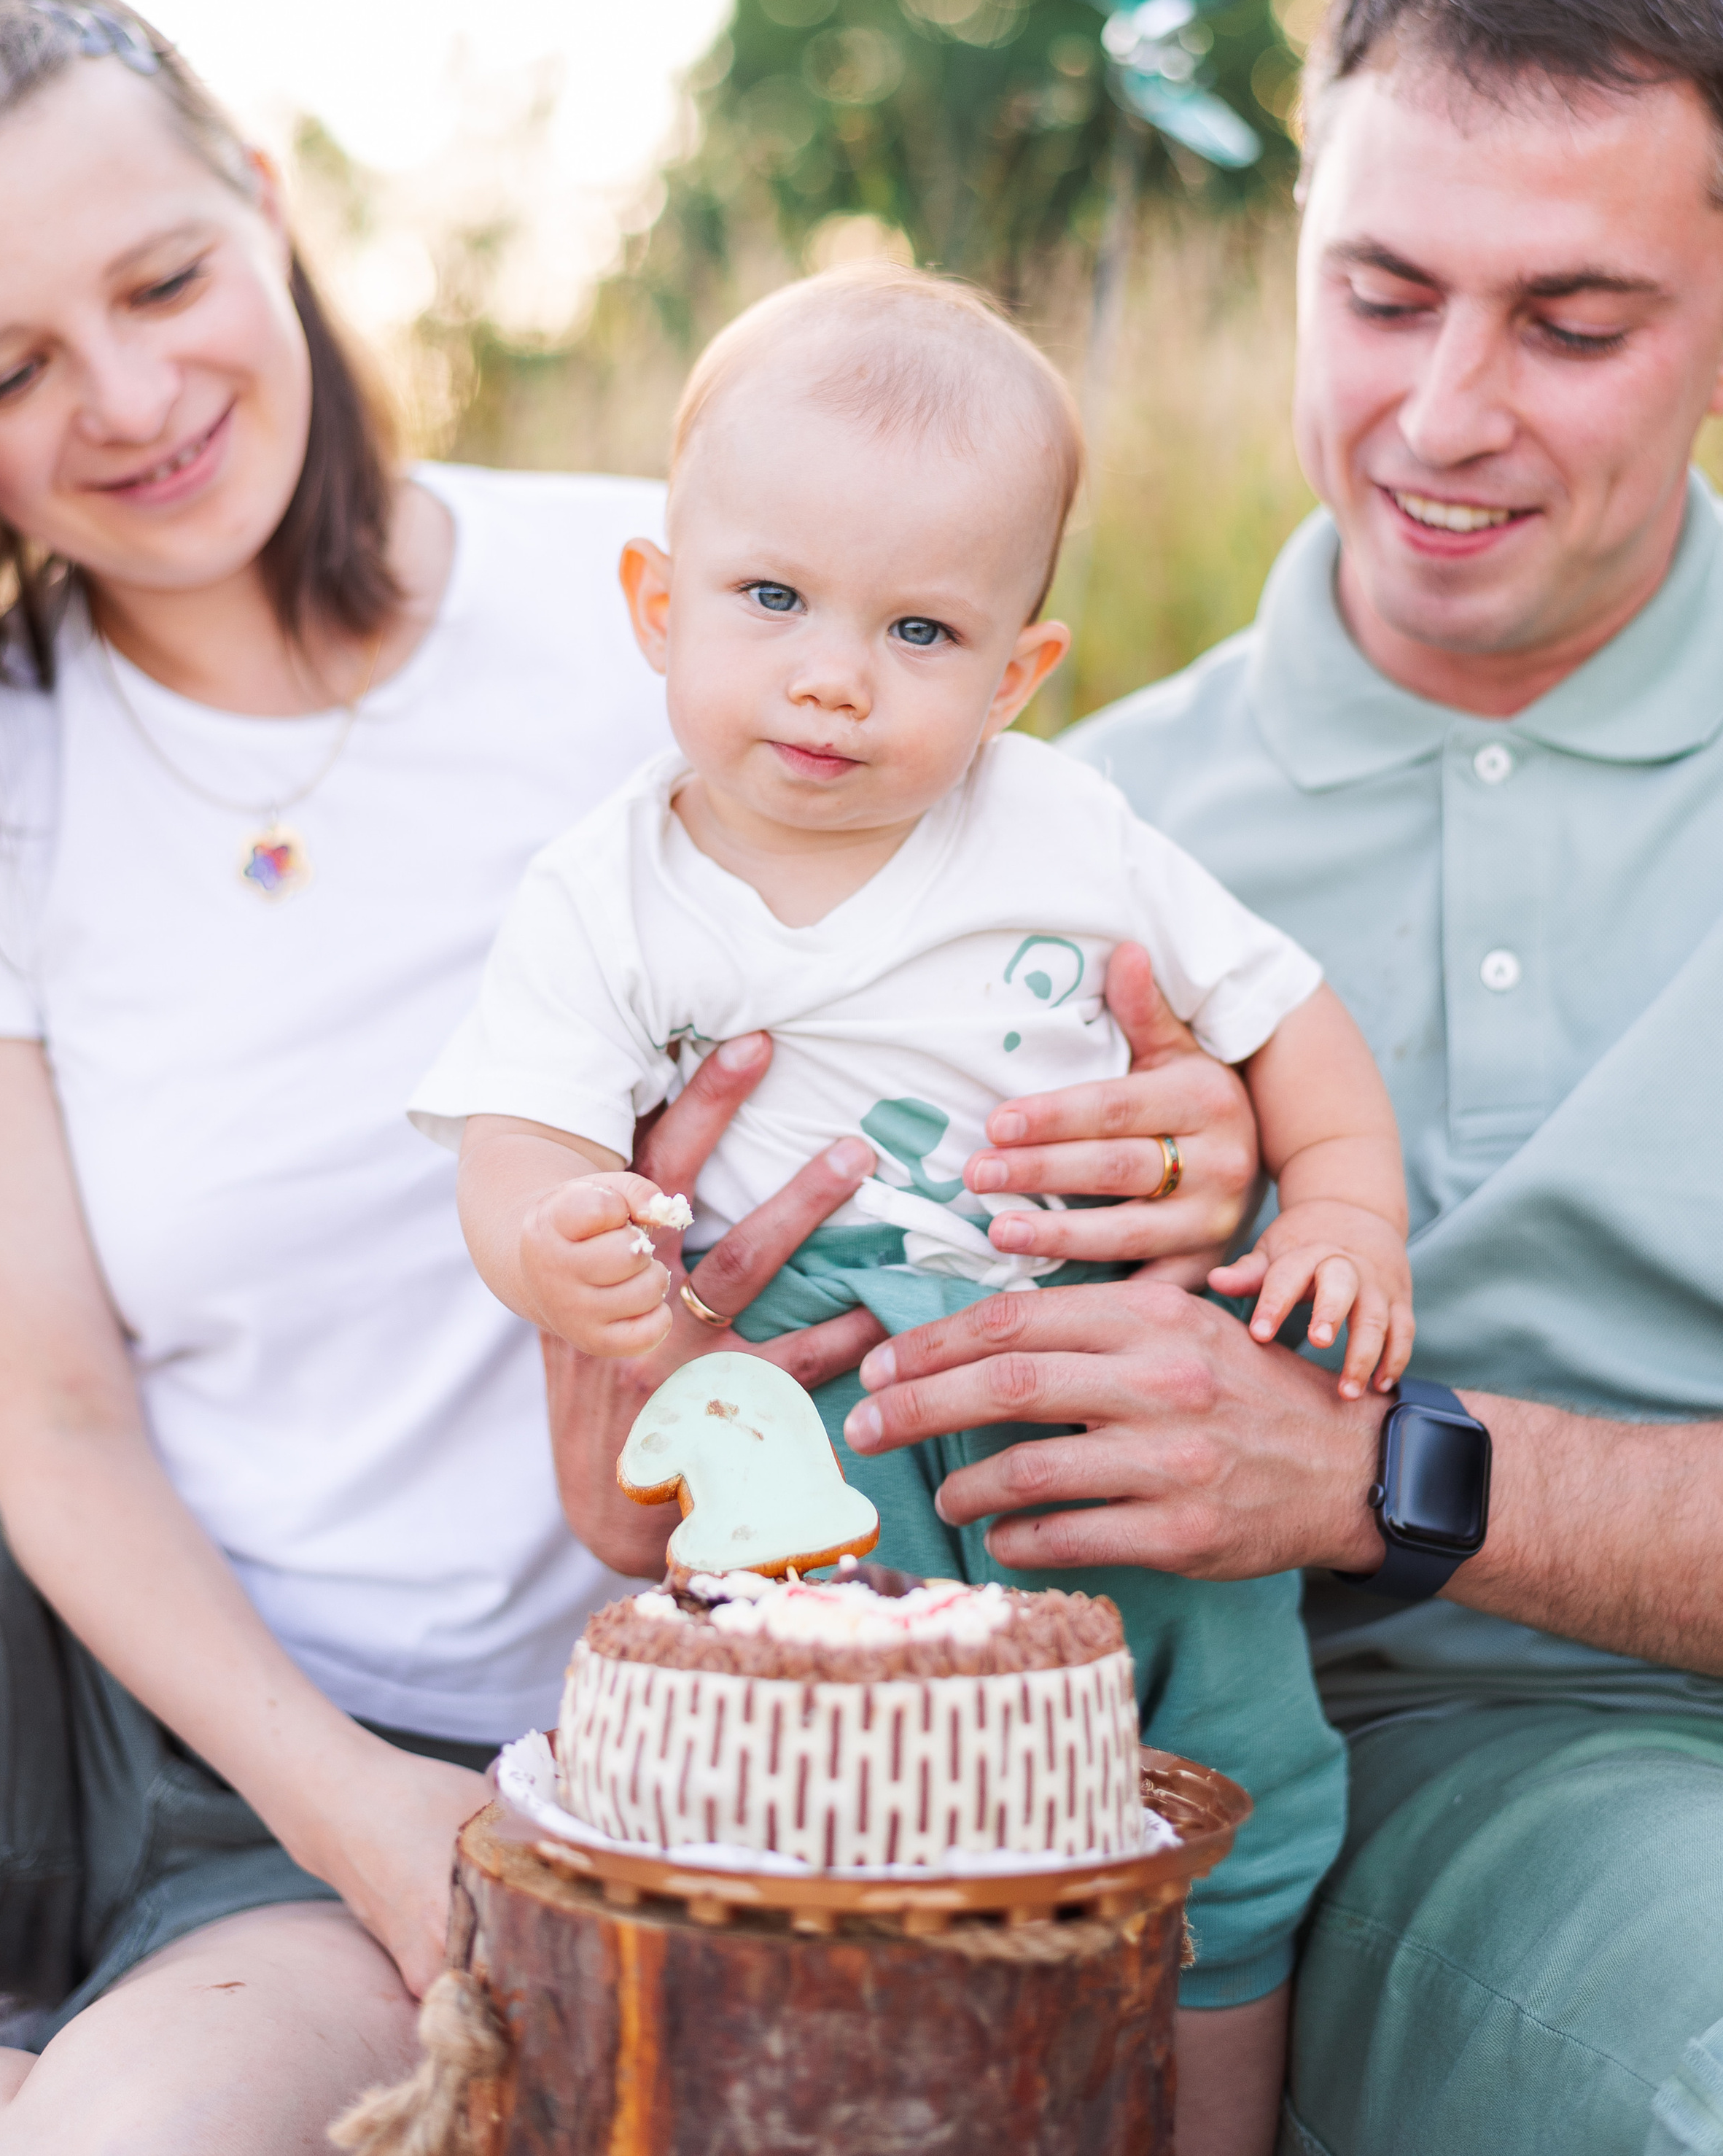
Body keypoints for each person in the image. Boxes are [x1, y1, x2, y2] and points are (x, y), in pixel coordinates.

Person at [0, 0, 1255, 2153]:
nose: (132, 396)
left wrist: (1190, 1133)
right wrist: (359, 1813)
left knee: (124, 2133)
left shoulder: (703, 611)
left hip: (508, 1722)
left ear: (263, 201)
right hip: (125, 1652)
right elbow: (50, 1416)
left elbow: (1061, 976)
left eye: (164, 279)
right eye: (6, 366)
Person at [836, 0, 1723, 2156]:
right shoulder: (1052, 843)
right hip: (1513, 1788)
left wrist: (1387, 1463)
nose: (1444, 414)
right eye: (1382, 295)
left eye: (1573, 324)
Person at [413, 268, 1412, 2149]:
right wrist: (554, 1242)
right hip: (823, 1415)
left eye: (921, 628)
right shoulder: (607, 893)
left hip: (1108, 1385)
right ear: (659, 605)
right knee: (836, 1819)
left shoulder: (1068, 831)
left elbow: (1286, 1019)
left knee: (1232, 1809)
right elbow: (518, 1133)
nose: (833, 675)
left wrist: (1349, 1212)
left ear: (1018, 674)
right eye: (772, 598)